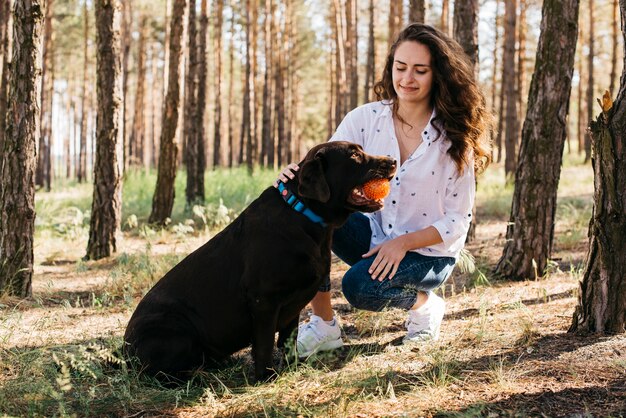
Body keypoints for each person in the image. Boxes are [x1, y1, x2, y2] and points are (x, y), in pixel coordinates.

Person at [275, 23, 491, 357]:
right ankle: (324, 325)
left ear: (438, 76)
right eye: (400, 67)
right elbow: (326, 165)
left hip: (427, 254)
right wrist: (298, 171)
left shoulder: (454, 138)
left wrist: (403, 244)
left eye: (420, 70)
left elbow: (458, 221)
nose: (407, 79)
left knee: (360, 288)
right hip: (374, 232)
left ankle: (425, 305)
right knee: (308, 211)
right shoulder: (366, 118)